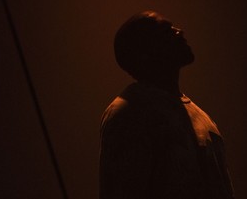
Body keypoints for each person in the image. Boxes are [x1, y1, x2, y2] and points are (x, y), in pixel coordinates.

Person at [99, 11, 235, 199]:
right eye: (166, 31)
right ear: (144, 52)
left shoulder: (201, 117)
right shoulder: (130, 113)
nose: (179, 31)